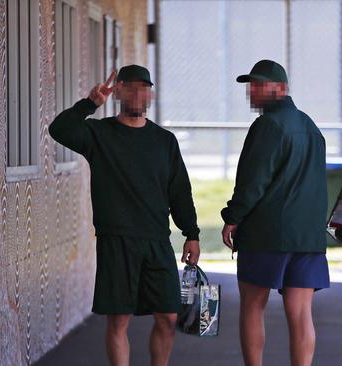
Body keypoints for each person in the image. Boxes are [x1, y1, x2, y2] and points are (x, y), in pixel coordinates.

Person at [49, 65, 200, 366]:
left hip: (157, 240)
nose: (137, 93)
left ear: (150, 94)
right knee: (118, 321)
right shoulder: (98, 134)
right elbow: (59, 129)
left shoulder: (164, 141)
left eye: (143, 88)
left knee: (169, 317)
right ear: (117, 91)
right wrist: (89, 104)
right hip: (116, 239)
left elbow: (179, 191)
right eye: (129, 87)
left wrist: (192, 233)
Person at [221, 59, 329, 366]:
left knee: (253, 306)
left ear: (280, 88)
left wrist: (233, 216)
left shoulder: (268, 125)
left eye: (258, 85)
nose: (251, 92)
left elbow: (254, 181)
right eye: (250, 85)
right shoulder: (310, 126)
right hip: (307, 236)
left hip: (267, 233)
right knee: (301, 313)